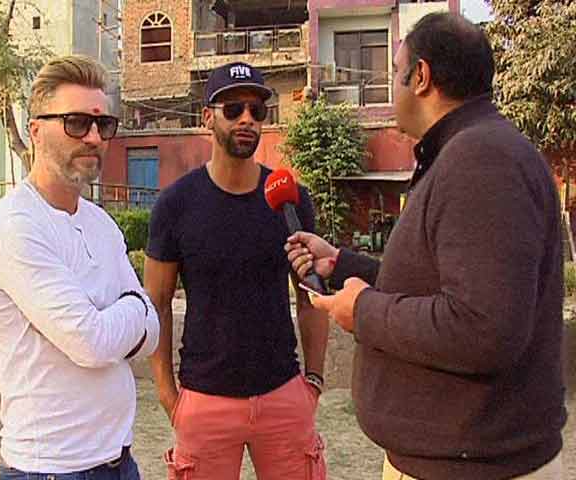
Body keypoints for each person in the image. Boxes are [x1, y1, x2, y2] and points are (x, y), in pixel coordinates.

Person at [286, 12, 566, 480]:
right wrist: (343, 265)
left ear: (420, 76)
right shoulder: (466, 152)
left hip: (474, 470)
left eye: (395, 70)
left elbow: (483, 329)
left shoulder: (481, 159)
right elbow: (440, 285)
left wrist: (364, 311)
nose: (390, 84)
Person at [0, 55, 160, 479]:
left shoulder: (101, 224)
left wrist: (121, 318)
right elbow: (91, 342)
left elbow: (152, 333)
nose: (93, 137)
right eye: (76, 122)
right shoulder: (15, 225)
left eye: (103, 125)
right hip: (50, 469)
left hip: (119, 461)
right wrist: (134, 307)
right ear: (35, 131)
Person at [145, 61, 328, 480]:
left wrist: (313, 381)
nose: (247, 119)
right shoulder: (176, 204)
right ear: (208, 117)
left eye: (256, 110)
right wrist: (168, 395)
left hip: (283, 395)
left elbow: (311, 296)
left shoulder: (290, 199)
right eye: (233, 109)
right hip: (204, 400)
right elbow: (156, 304)